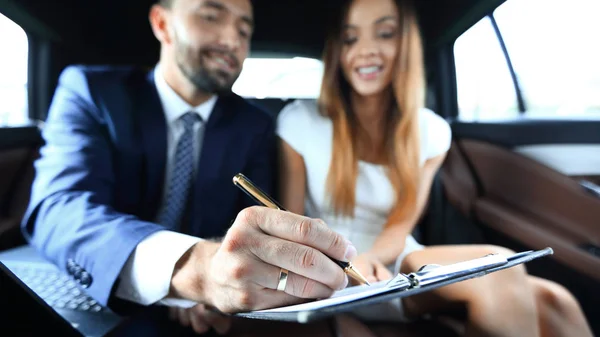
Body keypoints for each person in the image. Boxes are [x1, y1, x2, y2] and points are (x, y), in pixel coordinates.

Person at [20, 0, 359, 335]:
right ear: (162, 23)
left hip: (207, 318)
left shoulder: (254, 126)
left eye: (244, 30)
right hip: (97, 286)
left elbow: (253, 227)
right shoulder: (92, 92)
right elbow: (59, 207)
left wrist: (227, 275)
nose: (231, 40)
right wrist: (190, 269)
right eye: (211, 16)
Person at [276, 0, 595, 336]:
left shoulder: (430, 131)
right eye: (350, 39)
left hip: (396, 257)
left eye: (384, 34)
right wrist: (345, 267)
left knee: (554, 299)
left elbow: (401, 225)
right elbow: (294, 227)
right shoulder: (299, 122)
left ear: (406, 46)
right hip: (331, 266)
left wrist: (373, 257)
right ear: (337, 52)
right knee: (514, 279)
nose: (366, 50)